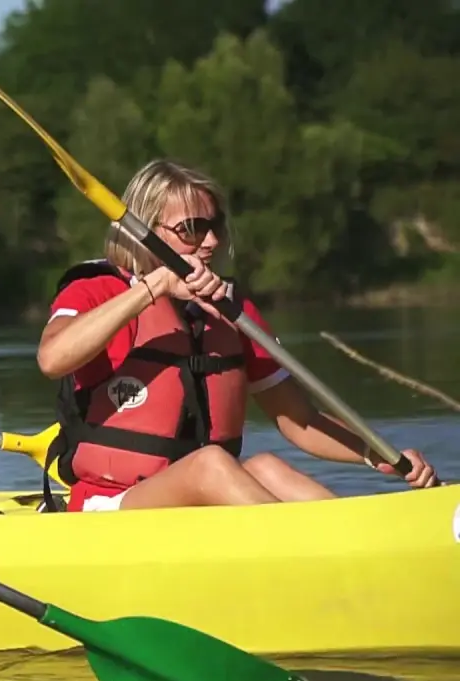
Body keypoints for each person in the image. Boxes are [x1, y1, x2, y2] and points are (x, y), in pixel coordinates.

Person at [35, 158, 439, 512]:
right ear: (145, 231)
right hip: (111, 505)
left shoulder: (231, 310)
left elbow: (301, 420)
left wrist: (375, 453)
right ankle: (307, 559)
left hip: (199, 500)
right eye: (191, 229)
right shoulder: (99, 289)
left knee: (267, 467)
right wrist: (154, 287)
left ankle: (359, 545)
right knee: (210, 463)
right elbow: (52, 359)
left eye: (215, 226)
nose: (210, 241)